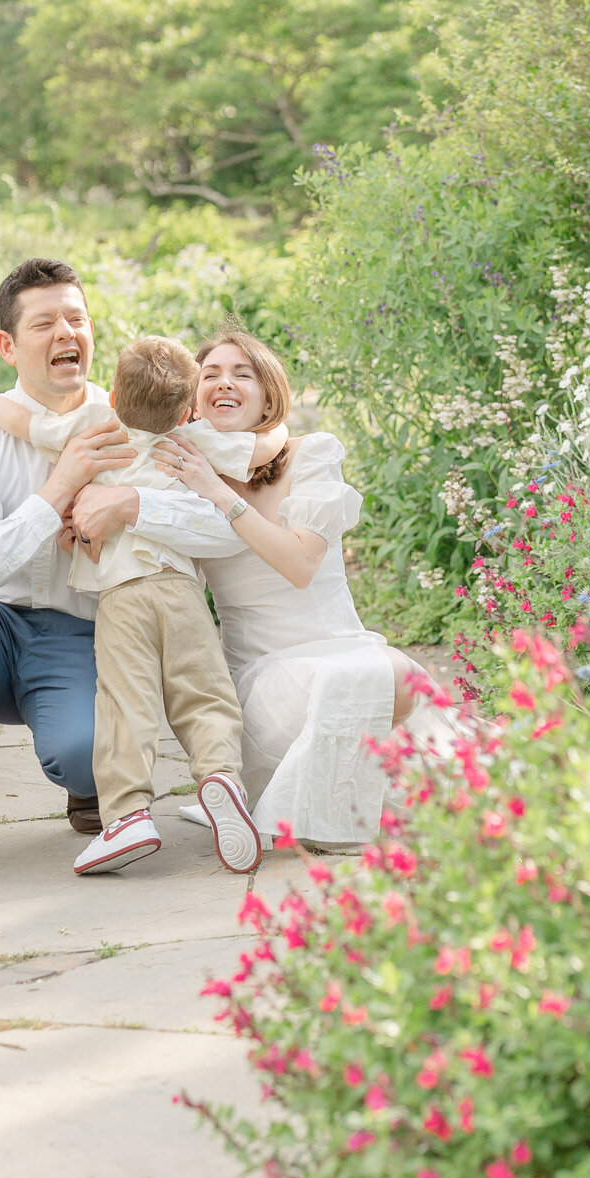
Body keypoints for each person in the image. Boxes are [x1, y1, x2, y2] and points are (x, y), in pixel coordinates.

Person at [0, 259, 249, 886]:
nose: (65, 332)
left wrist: (130, 506)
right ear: (8, 345)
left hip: (81, 638)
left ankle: (88, 785)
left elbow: (216, 523)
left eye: (76, 318)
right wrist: (59, 491)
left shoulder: (127, 418)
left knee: (88, 759)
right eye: (44, 323)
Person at [0, 334, 290, 877]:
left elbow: (26, 424)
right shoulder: (194, 440)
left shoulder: (94, 428)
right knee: (204, 694)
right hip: (180, 589)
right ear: (186, 408)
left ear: (112, 396)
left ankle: (128, 816)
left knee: (125, 704)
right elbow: (262, 448)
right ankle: (222, 778)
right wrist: (278, 424)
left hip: (121, 596)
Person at [164, 328, 428, 850]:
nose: (225, 382)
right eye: (210, 374)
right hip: (261, 678)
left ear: (269, 393)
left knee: (401, 684)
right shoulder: (184, 473)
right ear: (192, 400)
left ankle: (294, 807)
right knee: (380, 685)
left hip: (339, 649)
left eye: (243, 373)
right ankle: (324, 825)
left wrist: (220, 494)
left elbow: (302, 564)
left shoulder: (311, 454)